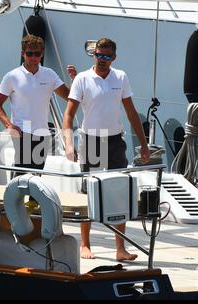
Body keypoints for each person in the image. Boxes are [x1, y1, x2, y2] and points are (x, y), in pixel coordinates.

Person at [62, 38, 150, 261]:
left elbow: (131, 113)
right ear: (94, 55)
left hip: (115, 142)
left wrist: (144, 144)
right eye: (99, 55)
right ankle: (85, 244)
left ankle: (120, 249)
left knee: (119, 192)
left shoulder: (120, 77)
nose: (102, 60)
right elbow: (69, 114)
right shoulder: (82, 78)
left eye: (107, 56)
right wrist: (69, 144)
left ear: (114, 58)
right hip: (91, 141)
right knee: (89, 193)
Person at [0, 34, 76, 174]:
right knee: (23, 175)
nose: (33, 57)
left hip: (42, 133)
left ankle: (32, 197)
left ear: (41, 54)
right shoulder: (12, 76)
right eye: (29, 53)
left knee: (36, 176)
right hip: (21, 133)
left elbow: (69, 97)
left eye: (37, 54)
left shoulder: (49, 74)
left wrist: (74, 80)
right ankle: (15, 196)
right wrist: (9, 125)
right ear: (23, 54)